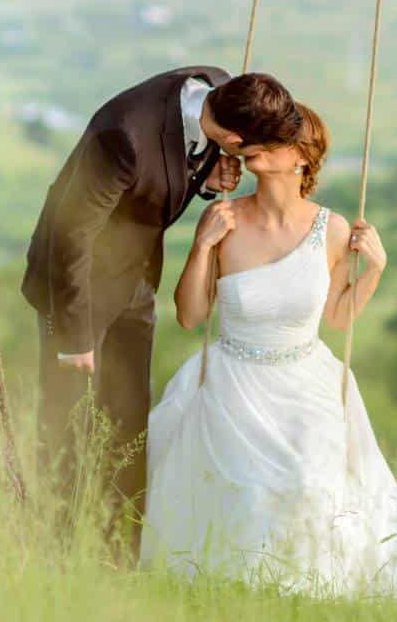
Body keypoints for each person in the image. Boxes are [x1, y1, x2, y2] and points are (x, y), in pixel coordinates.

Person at [140, 103, 397, 601]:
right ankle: (236, 591)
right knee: (244, 491)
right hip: (233, 381)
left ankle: (309, 589)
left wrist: (375, 271)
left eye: (271, 139)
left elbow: (339, 318)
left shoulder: (332, 229)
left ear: (302, 157)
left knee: (307, 482)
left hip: (305, 382)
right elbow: (191, 317)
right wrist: (202, 247)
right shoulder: (224, 218)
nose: (254, 144)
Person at [22, 67, 302, 555]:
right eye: (252, 154)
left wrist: (206, 179)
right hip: (74, 287)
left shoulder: (218, 86)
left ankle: (122, 552)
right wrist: (75, 335)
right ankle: (55, 548)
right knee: (67, 423)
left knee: (129, 420)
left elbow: (178, 169)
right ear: (234, 138)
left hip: (134, 278)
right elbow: (71, 235)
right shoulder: (123, 136)